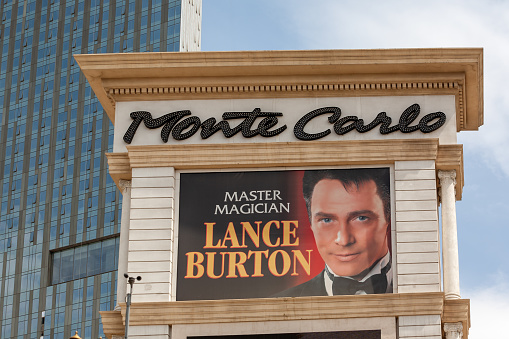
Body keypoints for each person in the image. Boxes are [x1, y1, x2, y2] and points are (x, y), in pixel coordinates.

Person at [276, 168, 392, 297]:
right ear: (311, 224)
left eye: (361, 218)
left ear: (388, 218)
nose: (343, 240)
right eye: (327, 220)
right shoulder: (276, 303)